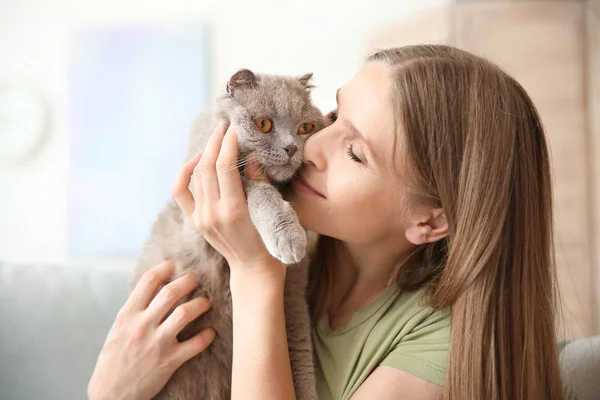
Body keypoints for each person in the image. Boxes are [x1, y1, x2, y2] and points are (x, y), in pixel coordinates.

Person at [88, 45, 564, 400]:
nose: (310, 149)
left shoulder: (442, 351)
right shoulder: (301, 238)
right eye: (331, 117)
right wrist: (109, 391)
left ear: (431, 220)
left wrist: (255, 273)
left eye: (354, 152)